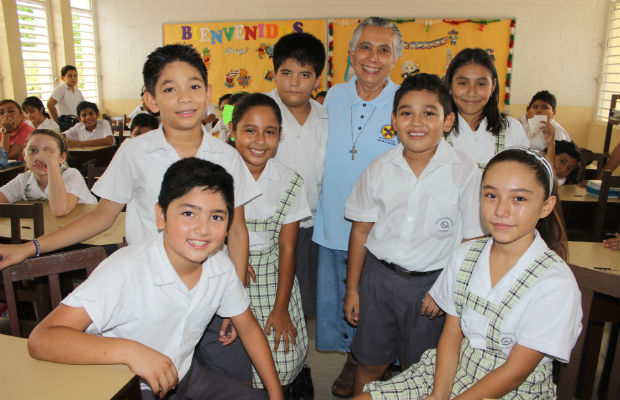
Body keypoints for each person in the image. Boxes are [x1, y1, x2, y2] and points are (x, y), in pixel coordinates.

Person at [0, 43, 260, 291]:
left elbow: (237, 230)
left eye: (194, 86)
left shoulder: (227, 157)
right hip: (149, 284)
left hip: (210, 285)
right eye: (170, 89)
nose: (184, 98)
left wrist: (234, 296)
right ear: (151, 100)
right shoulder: (135, 151)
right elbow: (100, 217)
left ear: (208, 93)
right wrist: (29, 247)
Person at [28, 158, 283, 400]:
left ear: (228, 225)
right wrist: (129, 350)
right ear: (160, 216)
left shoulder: (221, 267)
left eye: (216, 217)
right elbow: (42, 339)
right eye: (188, 214)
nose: (203, 229)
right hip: (125, 385)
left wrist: (276, 394)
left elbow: (248, 329)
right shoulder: (125, 270)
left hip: (182, 374)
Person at [356, 147, 582, 399]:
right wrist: (440, 394)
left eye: (519, 199)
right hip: (451, 370)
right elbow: (452, 334)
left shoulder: (554, 282)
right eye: (490, 195)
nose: (501, 211)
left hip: (513, 389)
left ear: (546, 206)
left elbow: (516, 371)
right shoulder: (465, 254)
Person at [344, 74, 484, 395]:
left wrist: (445, 289)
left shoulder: (465, 170)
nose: (416, 122)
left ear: (448, 121)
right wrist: (353, 289)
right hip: (379, 280)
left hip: (432, 286)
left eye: (429, 113)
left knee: (422, 369)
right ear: (393, 120)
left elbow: (472, 242)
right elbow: (361, 231)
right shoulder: (378, 169)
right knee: (369, 361)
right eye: (406, 113)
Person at [312, 17, 403, 398]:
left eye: (384, 50)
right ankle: (354, 358)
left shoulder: (404, 99)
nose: (373, 58)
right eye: (365, 47)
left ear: (395, 58)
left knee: (377, 300)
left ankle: (378, 361)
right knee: (342, 300)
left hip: (383, 227)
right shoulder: (333, 96)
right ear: (350, 53)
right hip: (335, 219)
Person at [229, 93, 310, 391]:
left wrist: (281, 307)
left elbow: (289, 248)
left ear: (280, 136)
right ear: (232, 130)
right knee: (232, 359)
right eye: (249, 130)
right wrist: (230, 257)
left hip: (273, 278)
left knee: (280, 358)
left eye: (270, 132)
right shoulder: (218, 173)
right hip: (225, 273)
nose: (259, 140)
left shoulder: (289, 180)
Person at [444, 48, 529, 170]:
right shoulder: (436, 130)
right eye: (462, 83)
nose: (471, 92)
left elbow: (525, 175)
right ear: (450, 84)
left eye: (481, 84)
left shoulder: (512, 130)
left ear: (493, 86)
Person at [0, 129, 96, 215]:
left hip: (90, 230)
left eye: (48, 152)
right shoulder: (24, 180)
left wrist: (51, 163)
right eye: (33, 150)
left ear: (62, 158)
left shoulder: (71, 175)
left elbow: (60, 210)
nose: (39, 157)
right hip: (51, 228)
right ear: (24, 155)